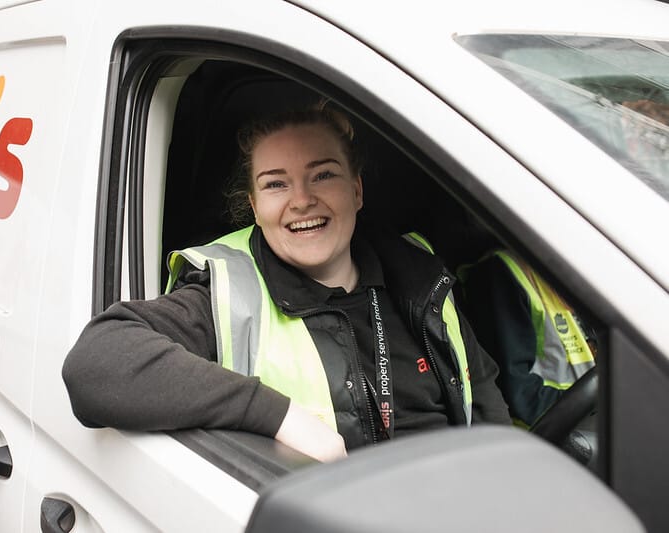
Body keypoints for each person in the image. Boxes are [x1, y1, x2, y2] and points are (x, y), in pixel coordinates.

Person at [62, 105, 510, 462]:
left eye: (323, 175)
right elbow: (96, 362)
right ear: (254, 207)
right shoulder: (228, 290)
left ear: (356, 190)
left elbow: (491, 417)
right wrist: (280, 417)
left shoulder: (419, 277)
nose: (301, 200)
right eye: (276, 185)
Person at [460, 250, 597, 427]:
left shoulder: (582, 271)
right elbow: (519, 396)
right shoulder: (501, 274)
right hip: (545, 434)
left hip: (586, 423)